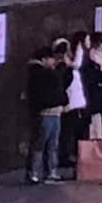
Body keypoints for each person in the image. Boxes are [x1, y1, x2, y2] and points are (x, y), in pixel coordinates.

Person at [24, 42, 71, 185]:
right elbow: (57, 80)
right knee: (41, 143)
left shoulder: (45, 73)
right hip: (45, 113)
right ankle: (35, 172)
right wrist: (63, 66)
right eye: (51, 59)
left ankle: (50, 172)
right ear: (44, 59)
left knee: (51, 144)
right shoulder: (39, 73)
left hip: (54, 112)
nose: (54, 62)